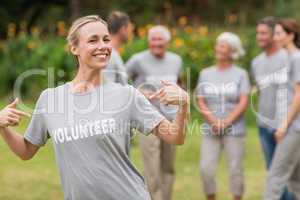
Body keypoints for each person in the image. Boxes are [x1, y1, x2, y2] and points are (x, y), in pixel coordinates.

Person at [0, 15, 189, 200]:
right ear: (74, 48)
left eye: (106, 39)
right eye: (93, 40)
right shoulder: (51, 100)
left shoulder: (127, 95)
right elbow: (26, 151)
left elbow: (175, 136)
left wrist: (184, 105)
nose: (103, 46)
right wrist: (2, 127)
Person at [126, 25, 183, 200]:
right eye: (153, 39)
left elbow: (179, 84)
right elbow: (120, 81)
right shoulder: (137, 60)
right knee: (152, 168)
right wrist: (137, 93)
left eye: (160, 39)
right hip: (148, 122)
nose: (156, 43)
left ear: (167, 41)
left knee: (168, 167)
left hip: (171, 120)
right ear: (149, 41)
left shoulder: (176, 60)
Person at [197, 32, 250, 200]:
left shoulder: (241, 73)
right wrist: (213, 120)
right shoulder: (206, 73)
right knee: (206, 169)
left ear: (232, 51)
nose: (217, 48)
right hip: (210, 129)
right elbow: (201, 100)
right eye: (218, 45)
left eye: (222, 45)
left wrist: (226, 121)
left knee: (236, 170)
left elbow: (243, 101)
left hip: (235, 130)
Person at [251, 16, 293, 200]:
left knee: (287, 175)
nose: (259, 37)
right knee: (272, 171)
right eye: (257, 33)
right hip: (264, 126)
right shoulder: (256, 62)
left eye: (263, 33)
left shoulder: (289, 58)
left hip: (286, 126)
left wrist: (286, 123)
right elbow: (261, 90)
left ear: (274, 35)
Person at [264, 18, 300, 200]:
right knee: (295, 179)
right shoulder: (288, 58)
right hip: (292, 126)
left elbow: (299, 95)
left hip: (293, 127)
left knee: (275, 177)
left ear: (291, 35)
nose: (275, 37)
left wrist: (284, 125)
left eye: (279, 33)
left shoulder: (297, 58)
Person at [105, 11, 132, 85]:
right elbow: (106, 89)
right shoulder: (108, 54)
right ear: (123, 29)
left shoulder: (112, 52)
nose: (131, 32)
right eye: (130, 28)